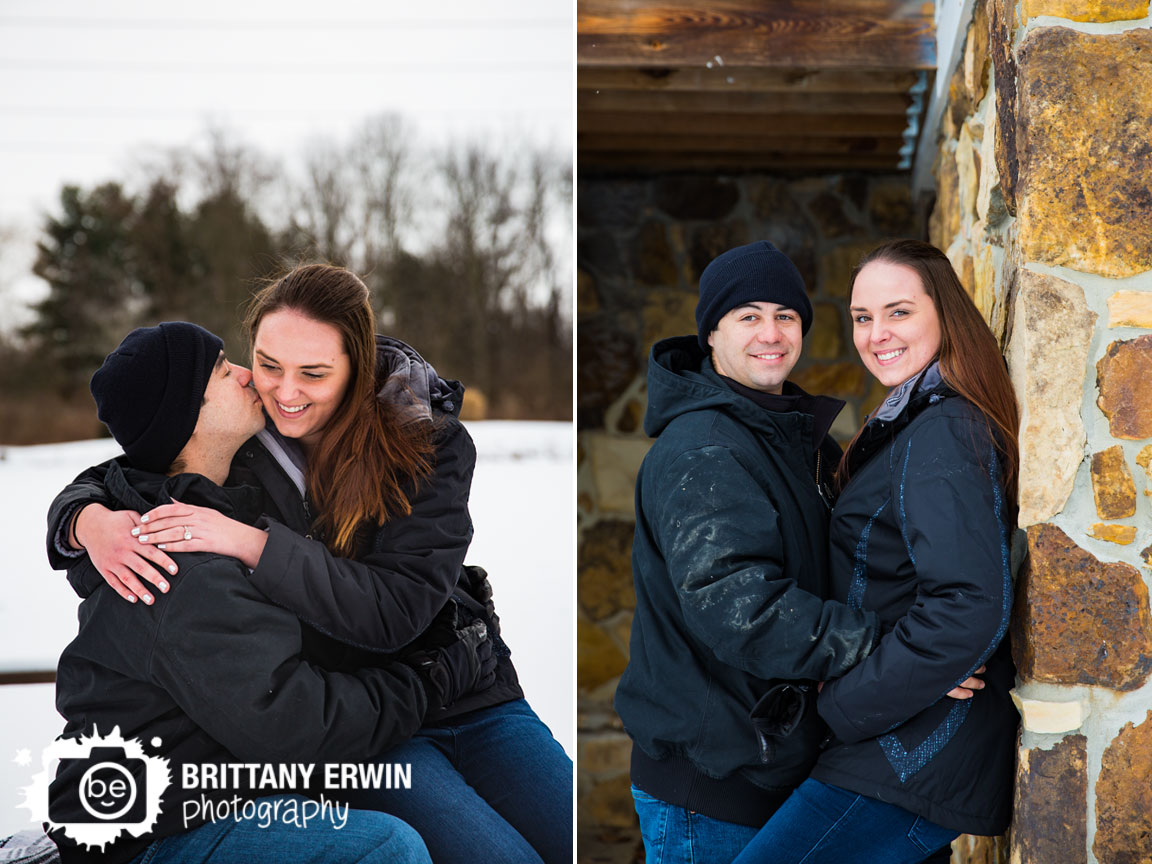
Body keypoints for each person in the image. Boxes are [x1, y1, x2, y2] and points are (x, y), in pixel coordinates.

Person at [46, 265, 572, 864]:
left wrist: (254, 543)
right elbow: (144, 460)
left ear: (357, 365)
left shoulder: (426, 442)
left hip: (462, 685)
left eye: (314, 374)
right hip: (361, 723)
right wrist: (82, 520)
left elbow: (394, 610)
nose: (283, 390)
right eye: (267, 364)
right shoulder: (243, 428)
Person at [731, 239, 1019, 864]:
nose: (875, 334)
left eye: (898, 312)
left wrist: (839, 703)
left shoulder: (944, 429)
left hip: (906, 755)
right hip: (895, 737)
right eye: (863, 318)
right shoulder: (912, 421)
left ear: (944, 315)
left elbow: (969, 604)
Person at [614, 241, 890, 863]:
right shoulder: (706, 449)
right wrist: (890, 645)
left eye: (786, 316)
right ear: (712, 335)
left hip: (769, 764)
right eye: (748, 316)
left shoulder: (788, 437)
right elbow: (741, 608)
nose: (771, 333)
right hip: (712, 788)